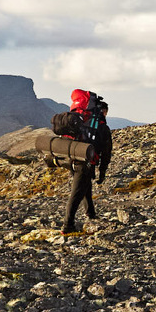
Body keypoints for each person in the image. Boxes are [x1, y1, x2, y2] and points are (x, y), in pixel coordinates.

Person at [60, 90, 112, 234]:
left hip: (73, 158)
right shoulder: (102, 127)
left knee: (85, 186)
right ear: (103, 111)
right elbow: (106, 153)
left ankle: (91, 213)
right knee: (76, 193)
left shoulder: (82, 122)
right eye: (106, 112)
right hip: (85, 163)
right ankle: (67, 226)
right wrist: (102, 172)